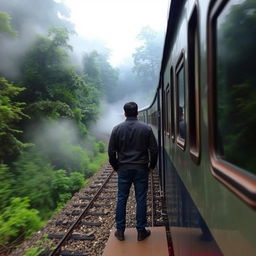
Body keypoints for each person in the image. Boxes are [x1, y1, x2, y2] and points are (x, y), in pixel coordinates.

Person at [108, 102, 158, 241]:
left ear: (125, 113)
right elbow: (154, 150)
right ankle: (141, 231)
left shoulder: (116, 129)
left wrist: (116, 167)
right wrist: (151, 166)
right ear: (136, 113)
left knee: (122, 198)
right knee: (141, 198)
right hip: (141, 168)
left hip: (123, 169)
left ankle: (120, 231)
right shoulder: (146, 129)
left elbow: (111, 152)